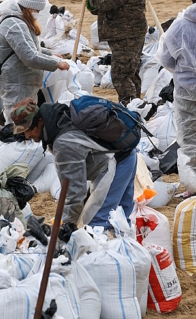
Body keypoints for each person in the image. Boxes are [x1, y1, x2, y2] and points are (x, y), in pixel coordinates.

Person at [11, 98, 138, 230]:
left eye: (28, 130)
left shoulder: (64, 143)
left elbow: (74, 191)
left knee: (97, 225)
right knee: (120, 221)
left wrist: (67, 225)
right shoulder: (59, 119)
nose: (26, 135)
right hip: (127, 155)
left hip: (116, 164)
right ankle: (124, 248)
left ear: (40, 122)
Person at [83, 0, 148, 104]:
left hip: (128, 34)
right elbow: (107, 6)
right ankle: (136, 108)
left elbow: (109, 0)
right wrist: (92, 4)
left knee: (121, 75)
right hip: (124, 33)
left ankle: (130, 109)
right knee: (129, 73)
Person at [0, 0, 69, 120]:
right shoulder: (14, 25)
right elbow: (29, 57)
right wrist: (56, 64)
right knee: (18, 124)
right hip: (16, 83)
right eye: (37, 10)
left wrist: (49, 54)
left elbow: (30, 46)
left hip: (24, 83)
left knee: (26, 122)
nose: (38, 13)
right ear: (28, 7)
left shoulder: (20, 21)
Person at [158, 0, 196, 194]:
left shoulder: (180, 25)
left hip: (186, 91)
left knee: (189, 140)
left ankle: (192, 186)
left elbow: (166, 59)